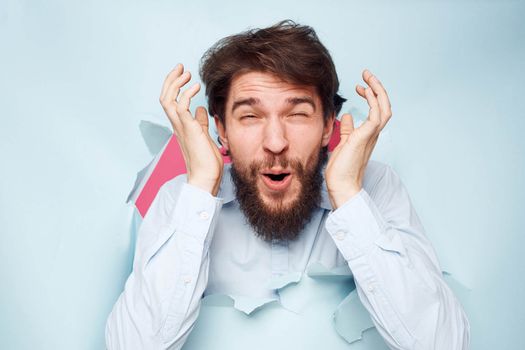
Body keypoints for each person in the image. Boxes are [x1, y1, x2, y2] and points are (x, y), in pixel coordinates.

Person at [105, 20, 470, 349]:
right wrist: (201, 186)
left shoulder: (374, 188)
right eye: (249, 116)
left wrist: (348, 195)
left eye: (297, 114)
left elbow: (443, 343)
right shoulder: (181, 198)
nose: (276, 142)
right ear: (222, 130)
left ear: (329, 125)